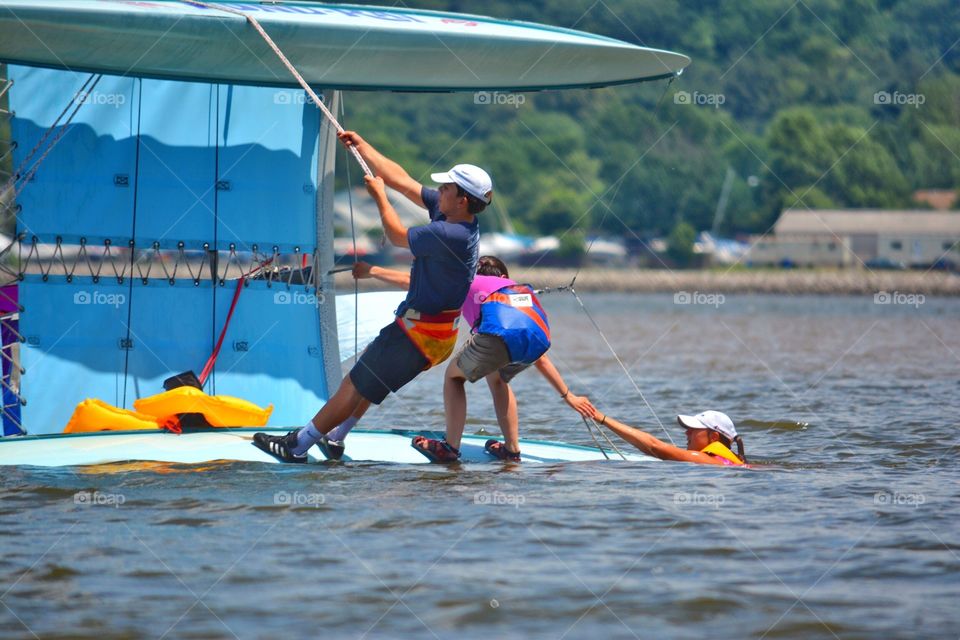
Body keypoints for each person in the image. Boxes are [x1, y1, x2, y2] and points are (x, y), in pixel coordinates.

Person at [252, 130, 492, 463]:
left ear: (462, 199)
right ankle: (336, 438)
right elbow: (403, 182)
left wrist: (379, 196)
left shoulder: (450, 232)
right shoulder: (456, 215)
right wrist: (362, 146)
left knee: (353, 384)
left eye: (445, 188)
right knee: (369, 376)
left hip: (418, 335)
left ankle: (296, 446)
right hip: (433, 335)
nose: (438, 191)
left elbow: (396, 235)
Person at [412, 256, 595, 463]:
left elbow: (419, 283)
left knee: (453, 377)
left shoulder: (468, 282)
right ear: (504, 277)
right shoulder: (517, 290)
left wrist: (381, 274)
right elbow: (541, 360)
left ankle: (450, 447)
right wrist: (568, 395)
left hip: (497, 338)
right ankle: (512, 450)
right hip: (536, 343)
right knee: (497, 379)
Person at [591, 409, 748, 466]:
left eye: (693, 429)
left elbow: (654, 446)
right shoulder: (726, 461)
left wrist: (601, 418)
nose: (687, 433)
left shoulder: (707, 461)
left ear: (713, 437)